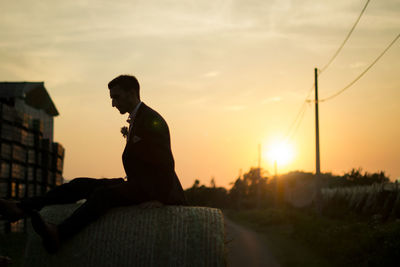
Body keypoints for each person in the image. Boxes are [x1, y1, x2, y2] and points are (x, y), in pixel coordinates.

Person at [0, 75, 187, 253]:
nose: (113, 103)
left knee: (102, 195)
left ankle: (60, 233)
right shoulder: (139, 119)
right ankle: (21, 207)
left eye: (116, 97)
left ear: (132, 93)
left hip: (153, 189)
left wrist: (160, 198)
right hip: (137, 184)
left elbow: (166, 163)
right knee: (80, 184)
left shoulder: (152, 120)